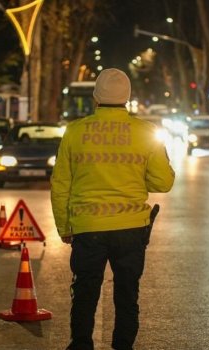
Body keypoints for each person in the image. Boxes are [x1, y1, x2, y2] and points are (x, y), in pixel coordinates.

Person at [51, 68, 175, 350]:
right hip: (131, 229)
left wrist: (64, 227)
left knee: (84, 292)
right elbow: (163, 182)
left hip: (88, 228)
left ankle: (81, 344)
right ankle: (123, 346)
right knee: (127, 294)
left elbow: (60, 184)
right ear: (128, 98)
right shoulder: (146, 132)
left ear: (96, 97)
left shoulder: (75, 132)